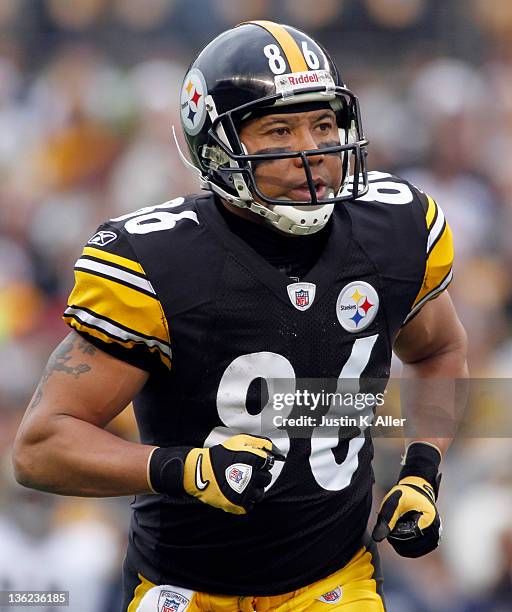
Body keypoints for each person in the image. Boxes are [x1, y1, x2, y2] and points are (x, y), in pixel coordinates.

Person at [12, 20, 468, 612]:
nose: (313, 152)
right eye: (280, 130)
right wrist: (187, 470)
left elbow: (439, 351)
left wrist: (422, 470)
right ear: (217, 148)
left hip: (337, 578)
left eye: (324, 124)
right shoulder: (157, 261)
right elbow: (40, 446)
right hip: (182, 586)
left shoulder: (394, 231)